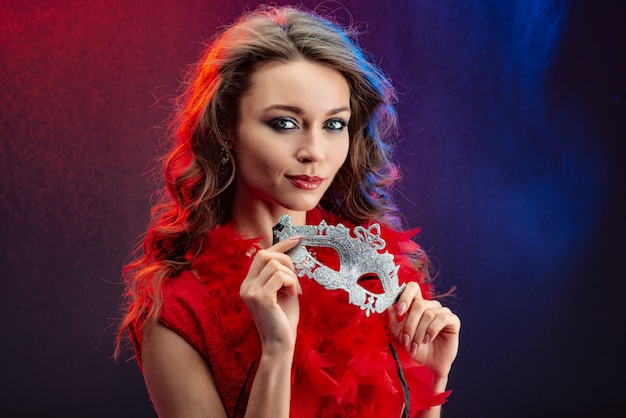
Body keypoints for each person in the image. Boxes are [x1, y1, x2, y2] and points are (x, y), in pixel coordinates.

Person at [115, 4, 460, 417]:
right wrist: (276, 353)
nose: (314, 152)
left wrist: (430, 385)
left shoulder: (374, 272)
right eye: (284, 123)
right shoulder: (178, 309)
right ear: (226, 129)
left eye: (334, 125)